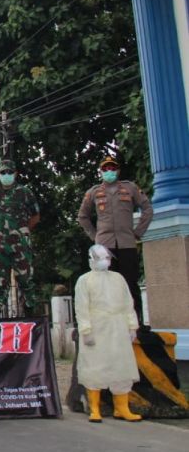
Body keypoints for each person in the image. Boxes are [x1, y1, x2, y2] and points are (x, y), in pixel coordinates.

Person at [78, 155, 153, 329]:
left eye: (112, 168)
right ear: (101, 171)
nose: (109, 171)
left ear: (117, 170)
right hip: (104, 247)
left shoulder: (130, 188)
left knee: (130, 283)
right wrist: (94, 236)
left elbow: (147, 209)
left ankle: (136, 322)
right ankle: (108, 323)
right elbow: (82, 216)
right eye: (105, 169)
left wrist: (138, 232)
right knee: (104, 284)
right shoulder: (94, 192)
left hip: (127, 242)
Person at [75, 245, 142, 423]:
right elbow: (81, 308)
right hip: (97, 328)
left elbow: (128, 303)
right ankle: (94, 408)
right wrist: (86, 330)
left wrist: (132, 326)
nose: (106, 261)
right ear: (91, 259)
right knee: (94, 366)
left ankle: (122, 408)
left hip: (118, 328)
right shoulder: (84, 280)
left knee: (121, 366)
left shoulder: (118, 278)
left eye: (107, 258)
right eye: (101, 258)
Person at [0, 159, 40, 315]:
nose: (6, 175)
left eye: (9, 172)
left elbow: (35, 216)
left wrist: (22, 231)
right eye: (3, 172)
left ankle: (30, 313)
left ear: (15, 173)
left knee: (25, 279)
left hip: (20, 245)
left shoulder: (25, 192)